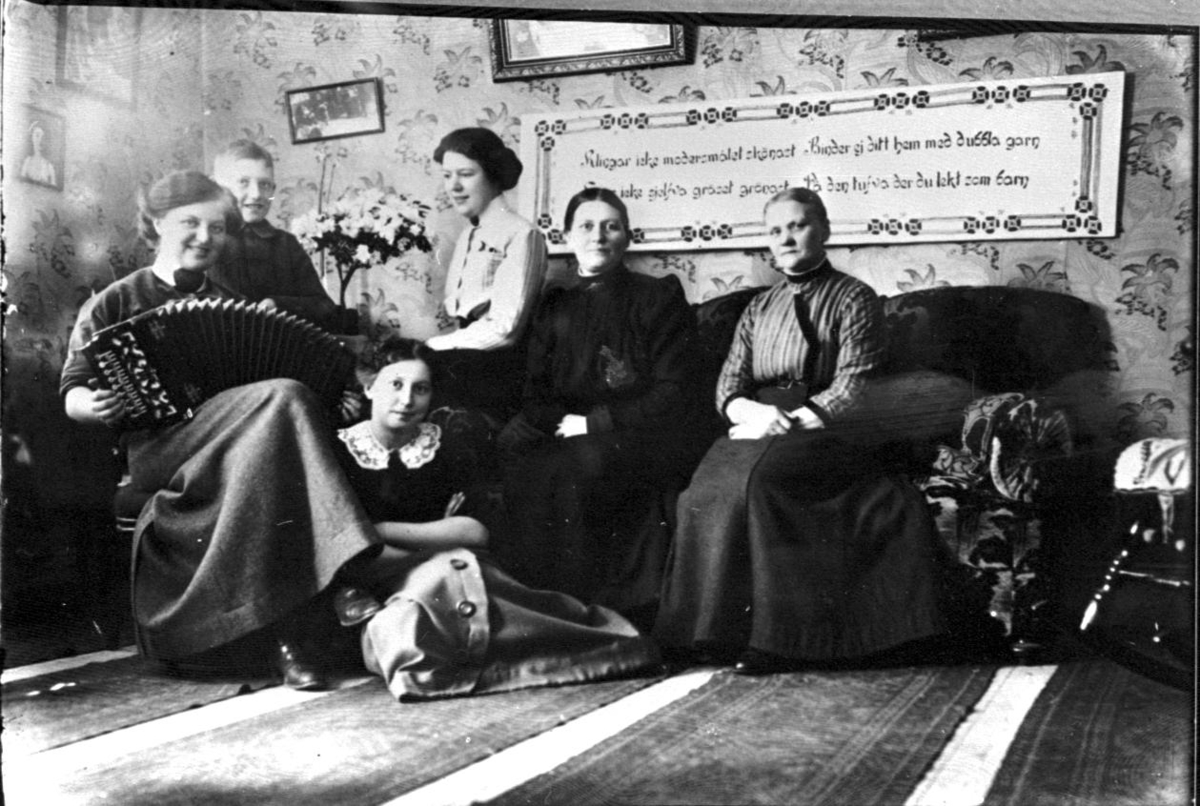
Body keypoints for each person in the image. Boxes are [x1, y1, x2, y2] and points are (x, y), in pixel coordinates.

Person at [61, 170, 382, 690]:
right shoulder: (116, 301)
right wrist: (91, 405)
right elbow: (72, 389)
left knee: (277, 429)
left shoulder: (231, 301)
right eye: (190, 223)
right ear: (158, 223)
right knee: (285, 397)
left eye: (216, 228)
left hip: (233, 443)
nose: (205, 237)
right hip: (159, 447)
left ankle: (289, 640)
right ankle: (342, 577)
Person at [653, 187, 947, 675]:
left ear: (824, 230)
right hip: (759, 423)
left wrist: (792, 421)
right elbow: (729, 384)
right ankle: (705, 635)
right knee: (702, 490)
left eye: (798, 225)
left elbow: (855, 383)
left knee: (762, 482)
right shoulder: (758, 307)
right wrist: (751, 413)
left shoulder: (854, 297)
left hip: (827, 427)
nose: (786, 238)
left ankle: (776, 639)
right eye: (776, 230)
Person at [330, 337, 660, 700]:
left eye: (420, 388)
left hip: (453, 565)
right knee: (412, 630)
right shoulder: (337, 451)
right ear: (369, 387)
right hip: (387, 580)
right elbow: (349, 550)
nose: (407, 399)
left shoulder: (445, 445)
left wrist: (381, 530)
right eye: (395, 384)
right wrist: (435, 536)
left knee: (501, 612)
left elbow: (474, 531)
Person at [498, 187, 704, 611]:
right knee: (526, 461)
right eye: (587, 226)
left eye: (611, 227)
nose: (598, 236)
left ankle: (590, 608)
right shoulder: (555, 304)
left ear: (626, 237)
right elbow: (536, 387)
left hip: (641, 430)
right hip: (567, 429)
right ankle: (537, 608)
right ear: (567, 236)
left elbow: (674, 390)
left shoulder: (656, 296)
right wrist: (555, 422)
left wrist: (595, 423)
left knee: (580, 466)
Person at [426, 127, 547, 419]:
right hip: (464, 357)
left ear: (494, 174)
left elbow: (505, 330)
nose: (453, 186)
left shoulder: (522, 233)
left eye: (466, 174)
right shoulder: (469, 233)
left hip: (498, 369)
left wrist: (432, 346)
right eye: (447, 175)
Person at [210, 139, 337, 329]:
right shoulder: (206, 240)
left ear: (273, 190)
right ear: (218, 188)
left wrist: (278, 304)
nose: (256, 194)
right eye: (243, 182)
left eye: (265, 184)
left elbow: (324, 306)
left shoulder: (285, 244)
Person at [21, 120, 56, 186]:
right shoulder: (27, 161)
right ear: (31, 138)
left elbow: (53, 186)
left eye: (42, 137)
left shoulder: (49, 166)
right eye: (37, 136)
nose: (40, 140)